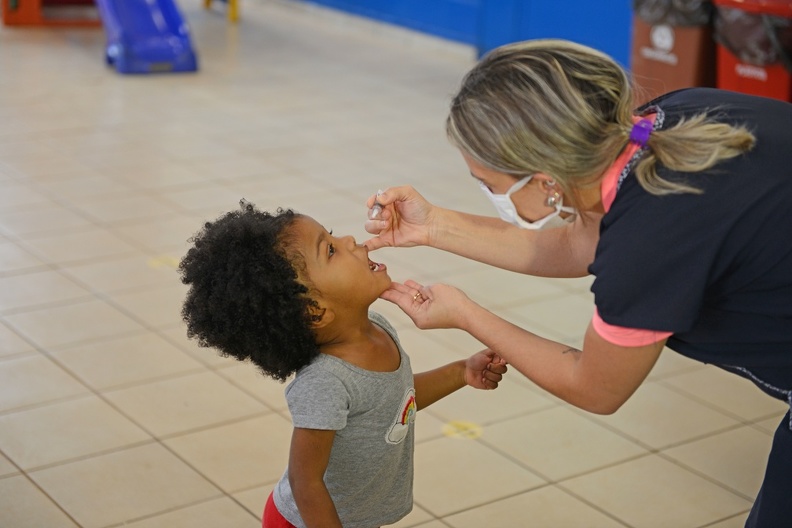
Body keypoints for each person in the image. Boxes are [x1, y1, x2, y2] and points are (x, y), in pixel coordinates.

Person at [363, 39, 792, 528]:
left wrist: (466, 314)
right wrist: (433, 226)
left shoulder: (647, 243)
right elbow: (578, 244)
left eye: (488, 183)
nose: (486, 193)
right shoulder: (663, 120)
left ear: (547, 181)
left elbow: (595, 387)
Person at [178, 200, 507, 528]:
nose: (350, 241)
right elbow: (305, 481)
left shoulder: (378, 329)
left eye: (332, 237)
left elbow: (393, 401)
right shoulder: (327, 382)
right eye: (331, 251)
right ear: (314, 310)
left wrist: (460, 371)